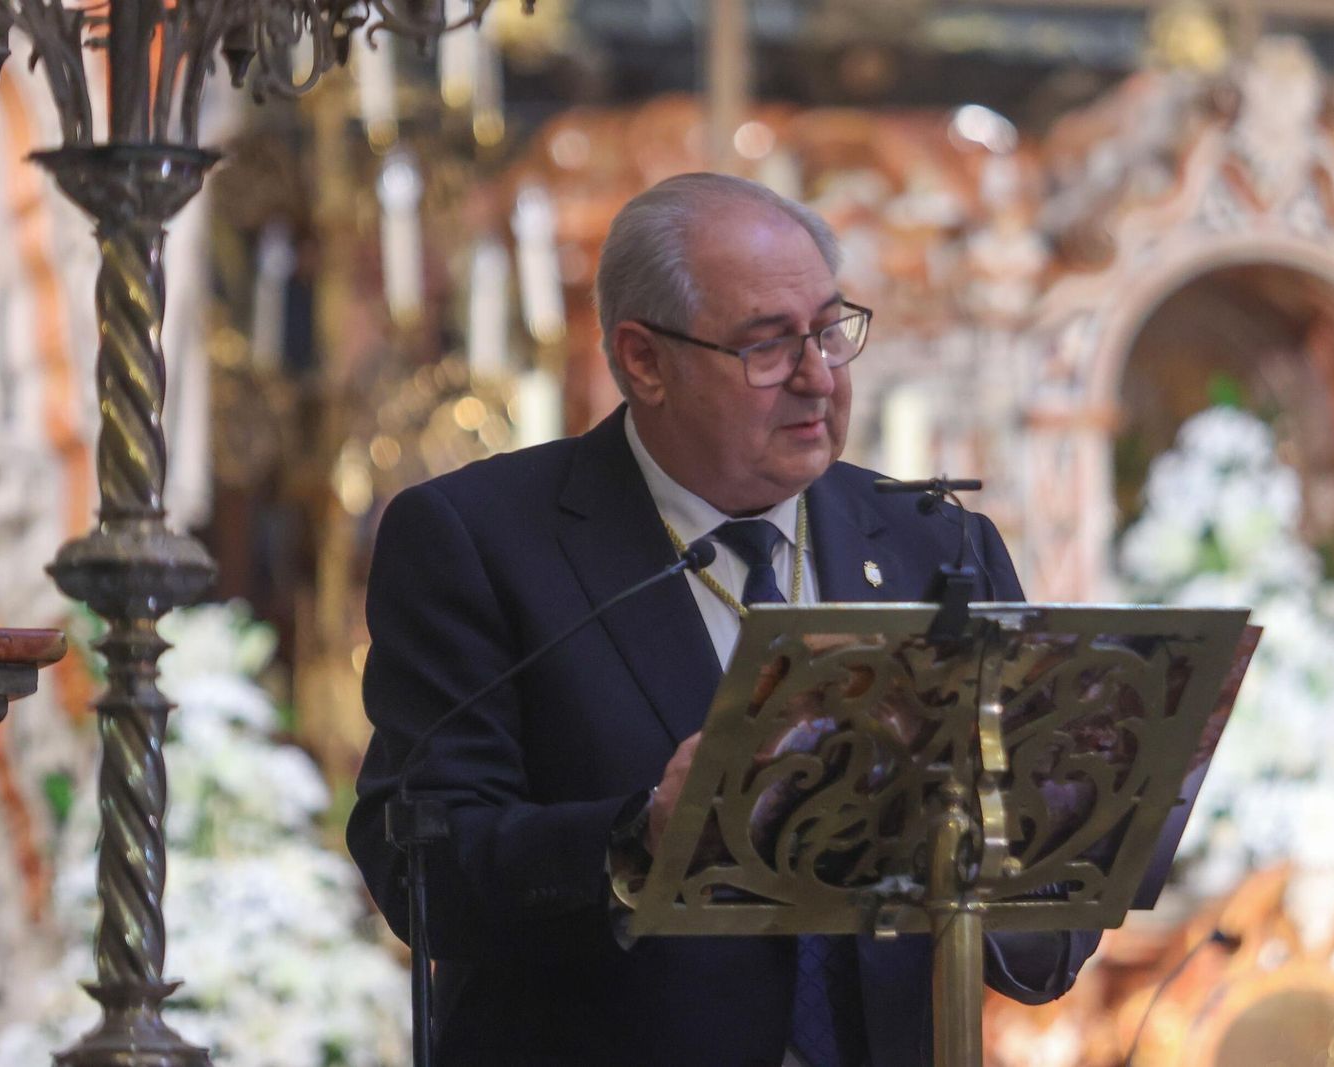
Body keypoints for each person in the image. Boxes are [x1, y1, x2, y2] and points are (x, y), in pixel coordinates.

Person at [347, 172, 1100, 1067]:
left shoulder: (936, 540)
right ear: (644, 360)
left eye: (831, 330)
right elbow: (421, 864)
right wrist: (638, 839)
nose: (818, 377)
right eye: (768, 346)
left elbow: (1045, 893)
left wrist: (1042, 843)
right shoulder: (479, 539)